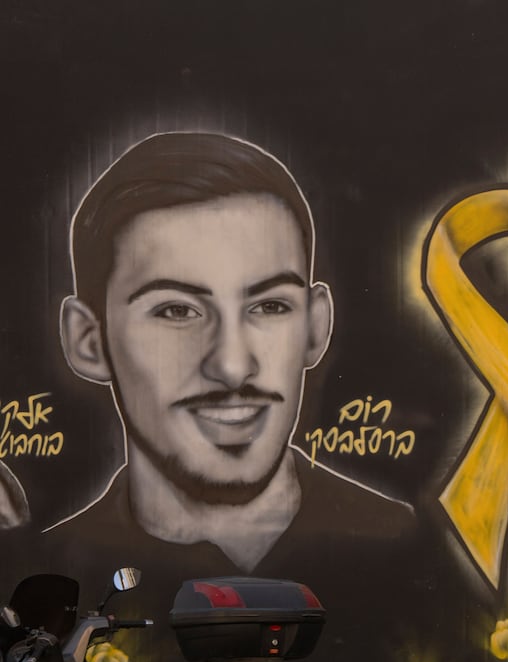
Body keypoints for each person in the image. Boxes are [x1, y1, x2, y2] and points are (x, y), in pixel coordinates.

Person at [47, 131, 412, 574]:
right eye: (177, 310)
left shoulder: (411, 549)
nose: (233, 366)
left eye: (270, 306)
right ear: (88, 341)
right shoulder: (48, 575)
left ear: (316, 328)